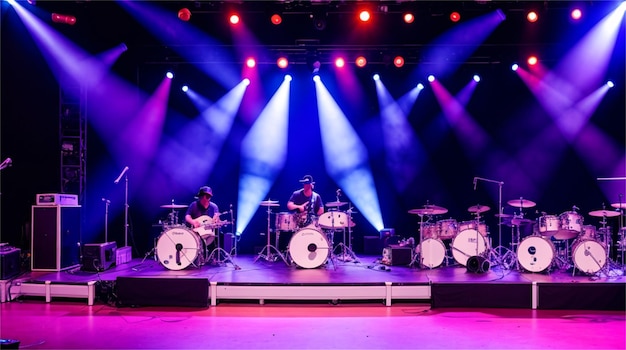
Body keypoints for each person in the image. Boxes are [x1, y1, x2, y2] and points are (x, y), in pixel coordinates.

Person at [185, 186, 223, 250]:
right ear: (200, 197)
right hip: (196, 232)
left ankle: (214, 254)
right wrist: (193, 222)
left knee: (219, 232)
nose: (207, 198)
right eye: (205, 196)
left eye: (209, 196)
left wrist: (217, 220)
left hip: (209, 232)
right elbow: (187, 216)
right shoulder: (194, 205)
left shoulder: (214, 207)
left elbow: (217, 218)